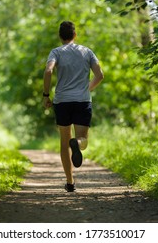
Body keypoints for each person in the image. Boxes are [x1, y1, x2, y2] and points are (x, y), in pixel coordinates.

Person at [42, 21, 104, 192]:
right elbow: (100, 75)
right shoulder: (86, 51)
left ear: (60, 36)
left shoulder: (56, 52)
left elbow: (48, 71)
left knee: (63, 143)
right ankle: (76, 142)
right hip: (82, 101)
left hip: (62, 101)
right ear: (75, 35)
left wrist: (46, 95)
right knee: (82, 140)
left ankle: (70, 183)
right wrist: (87, 88)